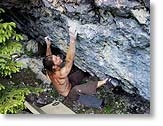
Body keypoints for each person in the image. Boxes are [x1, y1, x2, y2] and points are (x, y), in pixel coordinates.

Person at [42, 26, 119, 104]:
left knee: (80, 72)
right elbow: (69, 60)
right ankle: (106, 81)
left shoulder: (49, 69)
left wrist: (48, 45)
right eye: (56, 59)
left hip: (69, 83)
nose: (58, 57)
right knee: (76, 89)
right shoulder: (61, 74)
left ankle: (87, 78)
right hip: (69, 94)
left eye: (56, 57)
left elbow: (48, 57)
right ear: (54, 67)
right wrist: (72, 39)